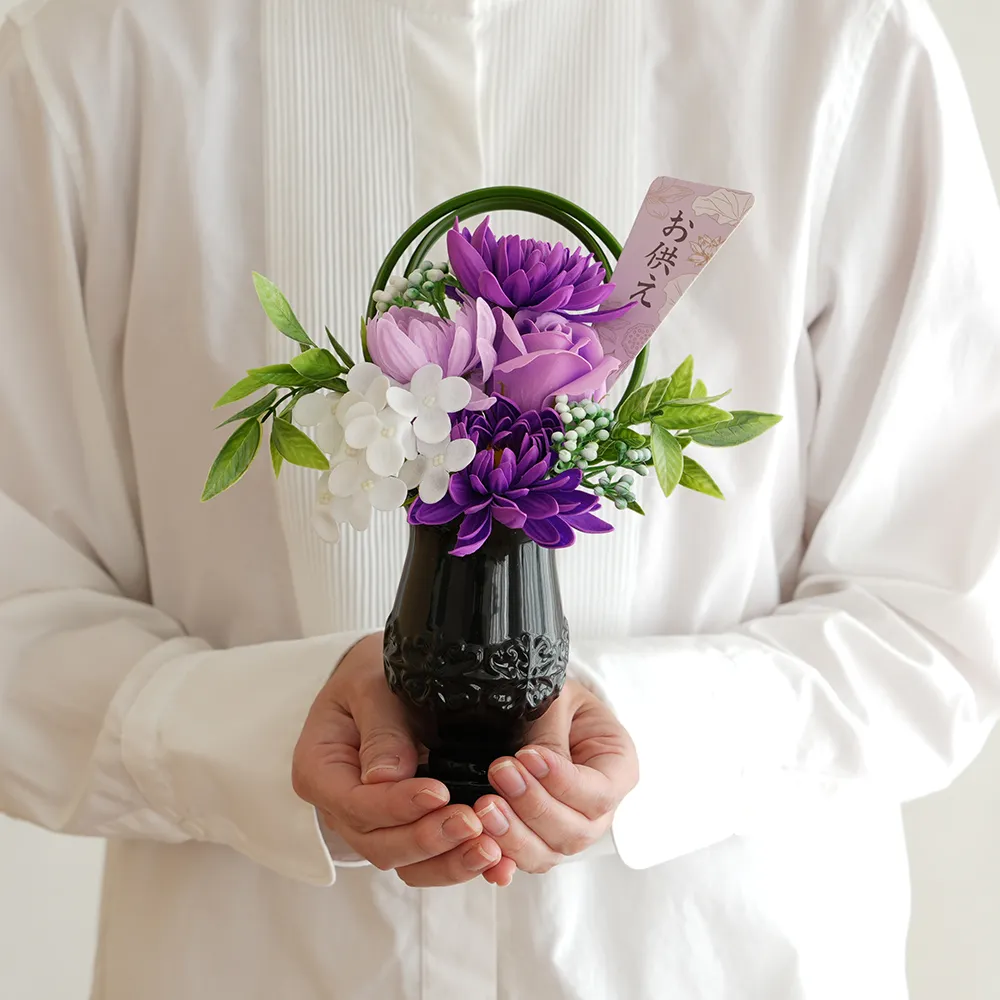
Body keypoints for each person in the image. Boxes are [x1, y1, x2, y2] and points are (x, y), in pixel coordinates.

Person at [2, 0, 999, 997]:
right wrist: (264, 732)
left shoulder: (839, 40)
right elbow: (21, 613)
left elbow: (934, 619)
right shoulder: (91, 55)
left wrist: (650, 734)